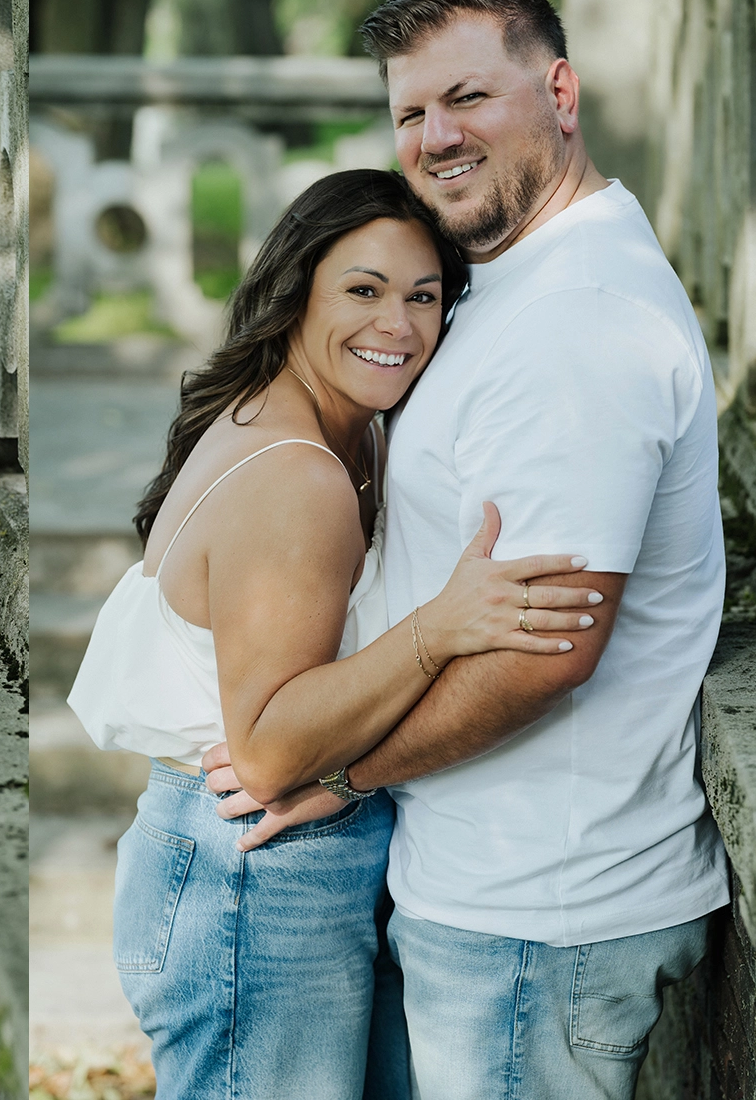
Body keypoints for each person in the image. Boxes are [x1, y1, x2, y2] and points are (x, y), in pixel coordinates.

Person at [204, 0, 729, 1098]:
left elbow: (546, 649)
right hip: (485, 893)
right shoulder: (509, 276)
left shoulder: (578, 324)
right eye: (410, 113)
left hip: (542, 911)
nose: (436, 137)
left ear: (561, 90)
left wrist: (346, 772)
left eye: (467, 98)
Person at [67, 167, 604, 1098]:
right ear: (295, 291)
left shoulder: (345, 430)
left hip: (264, 866)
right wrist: (438, 631)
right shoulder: (299, 478)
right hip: (256, 874)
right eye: (362, 291)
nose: (396, 325)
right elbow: (270, 751)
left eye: (423, 296)